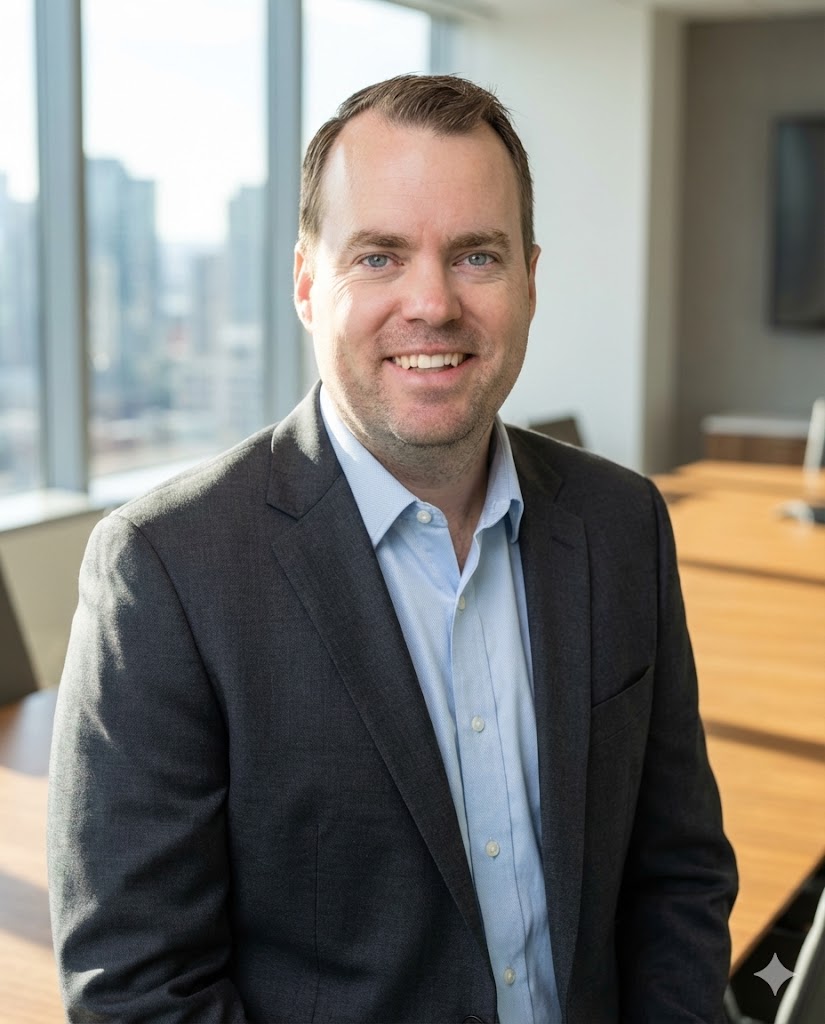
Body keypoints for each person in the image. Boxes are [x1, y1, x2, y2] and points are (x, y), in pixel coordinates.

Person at [48, 74, 737, 1024]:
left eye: (476, 257)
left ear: (530, 280)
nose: (432, 304)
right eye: (377, 256)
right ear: (304, 282)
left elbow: (679, 873)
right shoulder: (167, 570)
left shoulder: (621, 524)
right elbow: (138, 990)